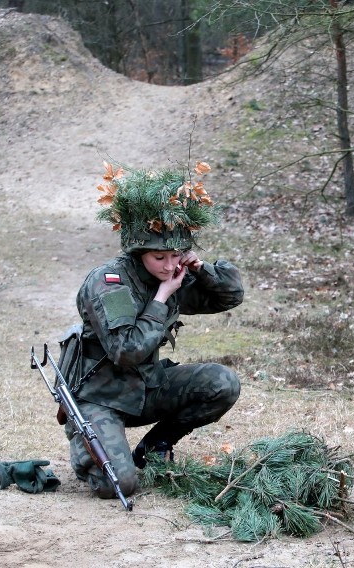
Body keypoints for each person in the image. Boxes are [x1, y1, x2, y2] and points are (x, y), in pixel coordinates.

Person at [66, 160, 243, 501]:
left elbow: (230, 297)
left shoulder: (173, 271)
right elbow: (126, 351)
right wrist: (162, 298)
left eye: (176, 254)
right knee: (117, 484)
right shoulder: (110, 283)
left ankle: (154, 448)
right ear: (139, 252)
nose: (168, 264)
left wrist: (200, 268)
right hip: (101, 398)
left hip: (147, 388)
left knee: (222, 383)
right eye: (159, 256)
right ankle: (87, 443)